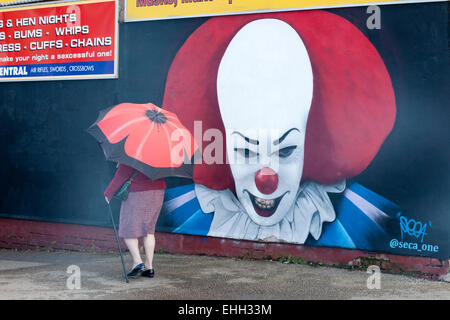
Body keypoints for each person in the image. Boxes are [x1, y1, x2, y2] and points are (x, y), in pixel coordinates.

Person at [104, 163, 166, 278]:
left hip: (138, 192)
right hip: (158, 191)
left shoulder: (133, 150)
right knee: (149, 230)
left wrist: (108, 193)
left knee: (128, 228)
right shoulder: (159, 152)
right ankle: (149, 267)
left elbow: (122, 174)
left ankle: (137, 262)